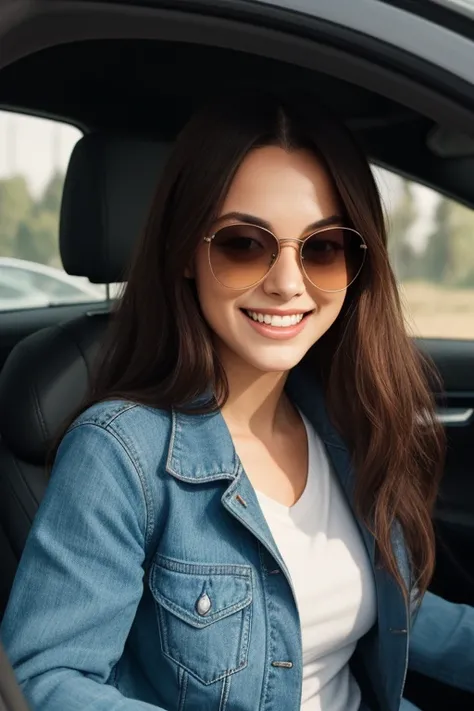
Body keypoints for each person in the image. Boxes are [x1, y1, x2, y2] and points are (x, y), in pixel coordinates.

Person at [0, 93, 467, 711]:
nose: (287, 282)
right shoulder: (121, 453)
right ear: (187, 253)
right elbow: (47, 678)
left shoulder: (343, 422)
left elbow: (391, 605)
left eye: (322, 248)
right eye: (244, 244)